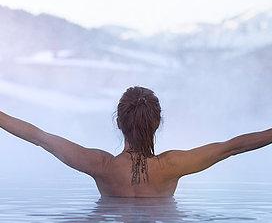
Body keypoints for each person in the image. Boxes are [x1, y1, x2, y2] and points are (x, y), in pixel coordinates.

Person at [0, 85, 271, 197]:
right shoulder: (173, 166)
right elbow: (233, 147)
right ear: (157, 123)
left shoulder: (101, 166)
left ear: (119, 123)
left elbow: (39, 138)